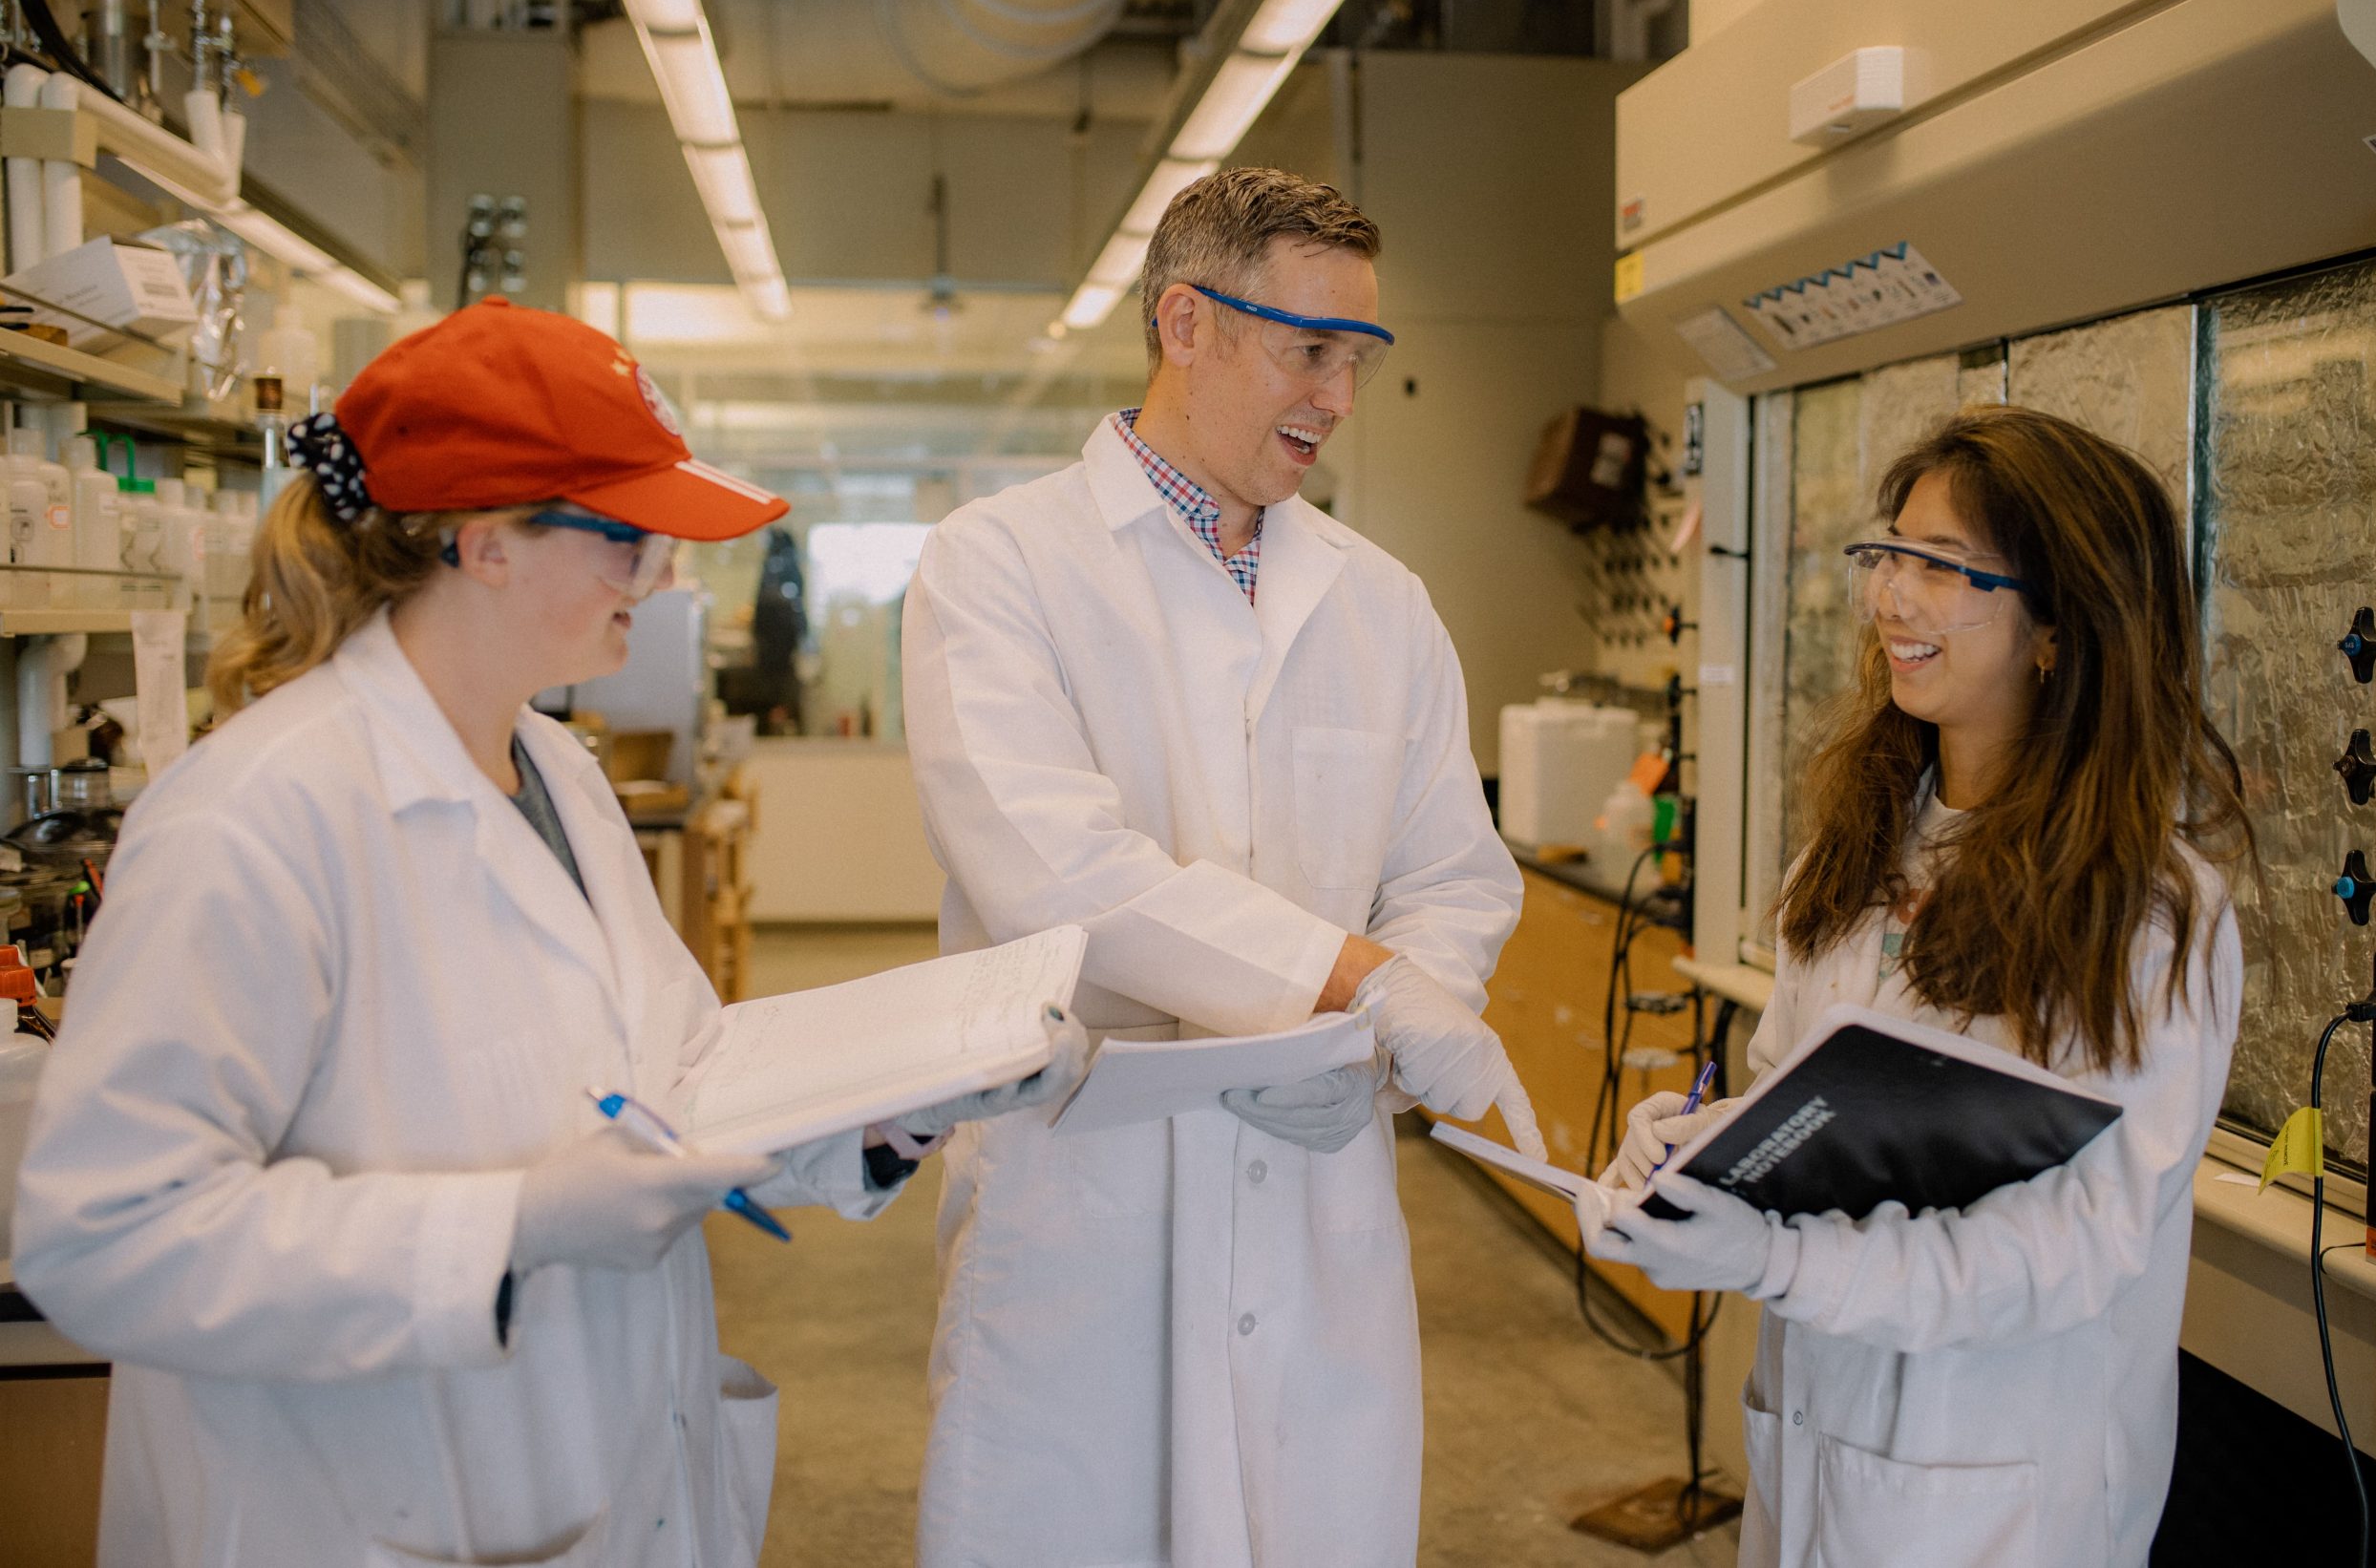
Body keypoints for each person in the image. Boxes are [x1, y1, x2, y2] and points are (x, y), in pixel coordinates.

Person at [11, 297, 1081, 1568]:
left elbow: (678, 1074)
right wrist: (510, 1225)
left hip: (593, 1465)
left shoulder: (554, 772)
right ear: (486, 541)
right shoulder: (254, 818)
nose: (664, 575)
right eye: (628, 535)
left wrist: (882, 1102)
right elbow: (104, 1239)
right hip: (358, 1504)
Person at [900, 165, 1542, 1567]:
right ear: (1184, 323)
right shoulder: (998, 564)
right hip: (1084, 1202)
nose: (1340, 394)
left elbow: (1454, 869)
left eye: (1362, 355)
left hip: (1318, 1200)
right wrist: (1358, 983)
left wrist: (1398, 1014)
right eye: (1311, 348)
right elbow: (1054, 867)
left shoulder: (1380, 600)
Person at [1576, 406, 2251, 1568]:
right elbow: (1803, 1108)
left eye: (1941, 567)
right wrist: (1694, 1144)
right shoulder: (1852, 855)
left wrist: (1775, 1260)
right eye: (1888, 553)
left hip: (1995, 1480)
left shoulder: (2142, 910)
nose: (1890, 596)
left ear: (2056, 625)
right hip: (1815, 1435)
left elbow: (2071, 1248)